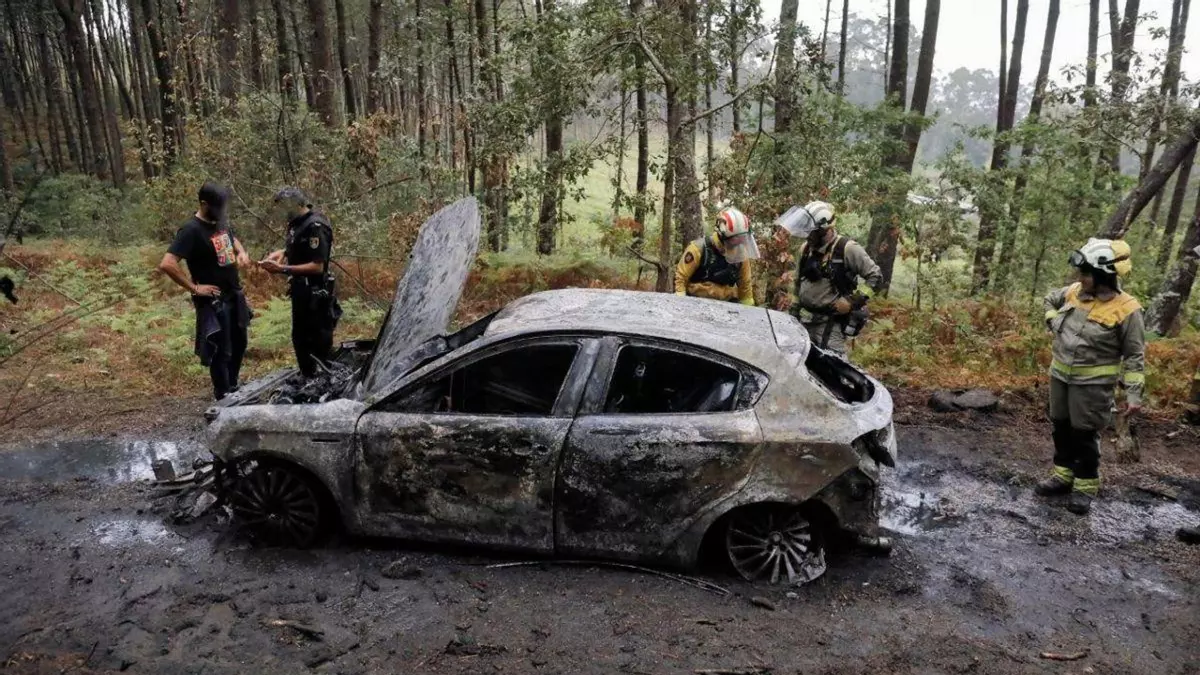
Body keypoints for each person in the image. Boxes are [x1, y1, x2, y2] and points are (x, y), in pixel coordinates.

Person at [1036, 238, 1145, 516]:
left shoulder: (1127, 309)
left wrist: (1133, 395)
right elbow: (1050, 299)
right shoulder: (1074, 292)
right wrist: (1052, 319)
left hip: (1093, 386)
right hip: (1060, 376)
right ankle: (1063, 475)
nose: (1080, 278)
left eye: (1086, 273)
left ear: (1103, 276)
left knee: (1084, 434)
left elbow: (1134, 355)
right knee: (1061, 426)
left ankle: (1084, 488)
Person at [158, 182, 252, 400]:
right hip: (214, 300)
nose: (220, 212)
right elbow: (167, 263)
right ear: (203, 204)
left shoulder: (219, 221)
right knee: (222, 349)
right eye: (216, 207)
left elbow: (232, 238)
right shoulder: (191, 230)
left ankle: (233, 386)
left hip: (234, 293)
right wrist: (194, 288)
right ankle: (223, 394)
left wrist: (241, 253)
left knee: (239, 343)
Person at [259, 187, 341, 377]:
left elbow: (317, 266)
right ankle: (307, 378)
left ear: (296, 204)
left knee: (317, 341)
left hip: (315, 293)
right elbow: (300, 246)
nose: (281, 213)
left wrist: (282, 269)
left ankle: (322, 380)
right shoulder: (295, 224)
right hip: (300, 292)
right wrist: (283, 253)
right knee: (300, 339)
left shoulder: (316, 226)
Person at [790, 201, 883, 354]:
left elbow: (876, 277)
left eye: (812, 232)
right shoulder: (805, 249)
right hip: (804, 321)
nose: (808, 236)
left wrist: (851, 301)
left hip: (831, 325)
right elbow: (798, 283)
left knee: (831, 364)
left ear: (825, 230)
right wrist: (793, 312)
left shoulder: (847, 249)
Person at [674, 207, 759, 305]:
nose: (738, 244)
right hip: (695, 303)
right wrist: (681, 305)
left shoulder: (741, 256)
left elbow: (745, 287)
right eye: (735, 240)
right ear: (721, 236)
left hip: (727, 306)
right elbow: (680, 279)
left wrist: (748, 310)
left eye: (742, 240)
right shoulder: (698, 249)